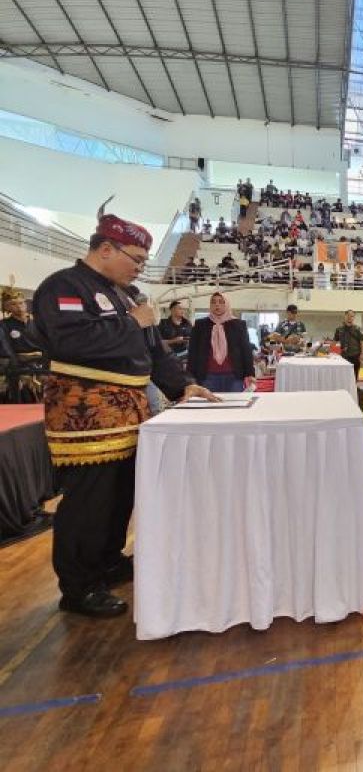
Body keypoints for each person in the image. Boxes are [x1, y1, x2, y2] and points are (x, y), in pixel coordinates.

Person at [30, 202, 216, 618]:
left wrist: (183, 386)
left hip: (131, 410)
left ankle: (109, 561)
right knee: (88, 500)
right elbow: (71, 342)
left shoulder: (129, 295)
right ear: (106, 249)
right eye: (136, 260)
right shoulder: (64, 286)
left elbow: (153, 353)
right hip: (85, 412)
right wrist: (131, 323)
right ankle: (78, 585)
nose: (139, 269)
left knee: (121, 495)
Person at [186, 292, 255, 393]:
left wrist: (250, 373)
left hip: (234, 376)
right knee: (209, 408)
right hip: (207, 376)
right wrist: (190, 378)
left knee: (234, 407)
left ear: (227, 304)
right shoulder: (200, 324)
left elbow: (246, 350)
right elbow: (193, 352)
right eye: (213, 302)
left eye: (221, 302)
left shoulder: (238, 324)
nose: (217, 305)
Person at [334, 310, 363, 379]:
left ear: (354, 318)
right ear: (345, 316)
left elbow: (362, 341)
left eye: (352, 316)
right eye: (348, 315)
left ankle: (354, 389)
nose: (350, 317)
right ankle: (345, 389)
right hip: (344, 355)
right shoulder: (339, 329)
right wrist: (327, 347)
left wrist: (362, 354)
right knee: (344, 374)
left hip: (355, 355)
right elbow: (335, 341)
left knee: (355, 374)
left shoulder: (358, 329)